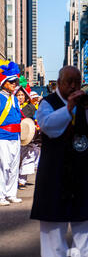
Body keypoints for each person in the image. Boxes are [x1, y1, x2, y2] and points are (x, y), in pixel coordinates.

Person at [30, 66, 88, 257]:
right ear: (59, 82)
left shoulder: (84, 100)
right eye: (68, 82)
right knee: (53, 215)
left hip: (82, 164)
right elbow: (48, 125)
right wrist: (67, 108)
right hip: (55, 166)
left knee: (84, 213)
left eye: (76, 82)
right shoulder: (47, 103)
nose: (73, 87)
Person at [0, 61, 22, 206]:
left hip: (16, 136)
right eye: (11, 81)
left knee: (14, 167)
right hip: (2, 136)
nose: (15, 83)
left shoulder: (14, 98)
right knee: (3, 166)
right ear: (3, 83)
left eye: (16, 81)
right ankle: (1, 195)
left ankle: (11, 193)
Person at [16, 82, 38, 190]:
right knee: (15, 160)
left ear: (25, 96)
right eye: (18, 95)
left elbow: (36, 120)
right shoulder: (11, 106)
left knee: (27, 159)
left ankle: (22, 181)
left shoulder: (30, 107)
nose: (20, 97)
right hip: (14, 136)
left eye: (22, 95)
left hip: (27, 138)